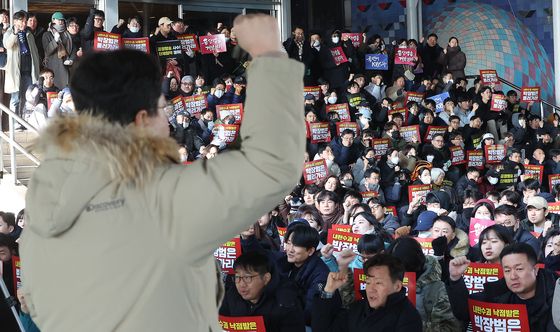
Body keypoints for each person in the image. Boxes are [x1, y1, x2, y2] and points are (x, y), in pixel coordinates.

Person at [20, 14, 306, 331]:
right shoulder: (163, 195)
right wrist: (269, 57)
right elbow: (273, 165)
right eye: (162, 109)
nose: (168, 121)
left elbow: (34, 299)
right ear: (143, 120)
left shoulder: (45, 195)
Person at [448, 243, 559, 331]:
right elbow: (465, 313)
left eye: (519, 269)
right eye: (507, 270)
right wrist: (456, 279)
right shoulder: (497, 292)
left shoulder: (555, 294)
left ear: (535, 269)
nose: (513, 276)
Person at [312, 253, 423, 331]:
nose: (371, 288)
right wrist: (328, 292)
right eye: (368, 282)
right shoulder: (357, 308)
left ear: (397, 286)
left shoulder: (408, 319)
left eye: (378, 283)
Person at [219, 251, 306, 332]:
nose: (241, 284)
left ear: (266, 278)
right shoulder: (231, 295)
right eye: (237, 277)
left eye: (247, 278)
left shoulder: (286, 303)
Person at [4, 10, 40, 118]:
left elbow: (35, 53)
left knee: (28, 97)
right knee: (15, 99)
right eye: (21, 21)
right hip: (15, 71)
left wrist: (37, 70)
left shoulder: (29, 34)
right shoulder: (9, 32)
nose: (24, 24)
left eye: (25, 21)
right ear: (15, 21)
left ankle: (24, 120)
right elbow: (7, 45)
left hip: (28, 70)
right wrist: (15, 33)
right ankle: (14, 123)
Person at [42, 11, 73, 88]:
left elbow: (73, 49)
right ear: (53, 20)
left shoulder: (67, 34)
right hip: (52, 68)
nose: (61, 21)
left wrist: (71, 59)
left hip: (65, 67)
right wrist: (55, 41)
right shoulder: (47, 34)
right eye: (58, 20)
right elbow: (47, 51)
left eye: (62, 20)